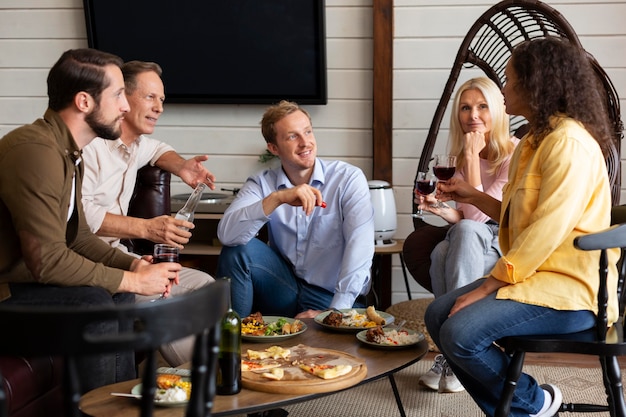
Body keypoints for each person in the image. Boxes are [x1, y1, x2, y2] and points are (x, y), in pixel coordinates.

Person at [424, 37, 619, 417]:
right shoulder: (532, 143)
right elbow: (520, 219)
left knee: (460, 333)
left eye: (510, 80)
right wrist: (471, 194)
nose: (503, 89)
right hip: (534, 280)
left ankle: (529, 404)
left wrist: (487, 285)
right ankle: (533, 407)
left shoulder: (569, 144)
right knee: (437, 315)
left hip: (571, 290)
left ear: (536, 84)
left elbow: (546, 231)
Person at [0, 49, 183, 393]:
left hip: (26, 287)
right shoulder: (35, 151)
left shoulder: (68, 152)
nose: (125, 106)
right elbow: (48, 260)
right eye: (117, 95)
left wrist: (135, 267)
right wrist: (131, 281)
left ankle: (121, 404)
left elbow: (79, 236)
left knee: (116, 296)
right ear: (84, 101)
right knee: (96, 301)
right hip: (6, 294)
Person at [81, 60, 216, 367]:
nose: (159, 107)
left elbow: (158, 149)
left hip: (119, 256)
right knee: (164, 299)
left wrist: (181, 166)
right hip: (89, 264)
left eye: (162, 100)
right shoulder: (90, 147)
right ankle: (213, 387)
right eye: (151, 97)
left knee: (206, 287)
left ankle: (204, 378)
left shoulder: (134, 144)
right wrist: (146, 229)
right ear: (122, 98)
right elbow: (80, 217)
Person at [406, 77, 518, 393]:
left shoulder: (513, 153)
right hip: (471, 240)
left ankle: (459, 346)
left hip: (503, 242)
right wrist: (438, 209)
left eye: (482, 106)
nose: (473, 115)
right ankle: (452, 355)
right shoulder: (458, 155)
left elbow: (482, 217)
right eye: (466, 108)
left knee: (458, 237)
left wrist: (470, 158)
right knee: (441, 251)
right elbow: (465, 217)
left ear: (497, 110)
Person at [216, 100, 375, 319]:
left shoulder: (347, 179)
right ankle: (233, 346)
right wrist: (278, 198)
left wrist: (335, 313)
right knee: (236, 251)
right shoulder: (263, 183)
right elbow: (227, 235)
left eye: (308, 132)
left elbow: (361, 247)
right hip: (284, 289)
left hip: (331, 297)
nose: (305, 143)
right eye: (292, 136)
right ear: (273, 148)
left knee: (330, 345)